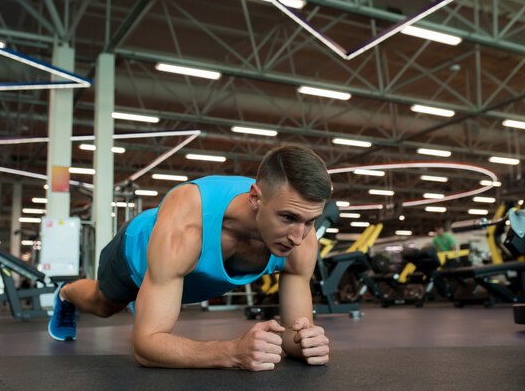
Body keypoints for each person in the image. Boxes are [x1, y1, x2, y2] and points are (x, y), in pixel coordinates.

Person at [48, 145, 332, 371]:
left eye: (310, 221)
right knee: (104, 304)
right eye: (288, 218)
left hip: (177, 274)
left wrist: (306, 343)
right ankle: (66, 294)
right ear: (256, 199)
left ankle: (149, 302)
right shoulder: (189, 222)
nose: (298, 236)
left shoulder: (302, 241)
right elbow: (145, 347)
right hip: (137, 254)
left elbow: (294, 333)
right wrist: (232, 352)